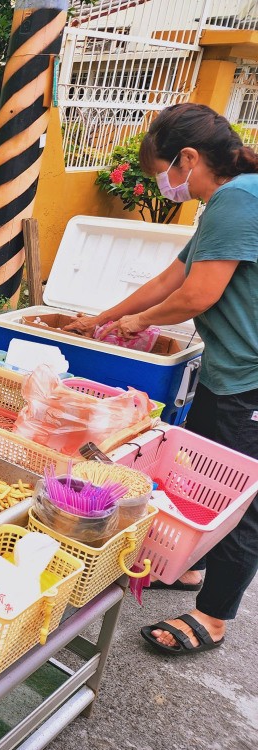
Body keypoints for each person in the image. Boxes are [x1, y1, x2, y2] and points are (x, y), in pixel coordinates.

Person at [64, 103, 258, 656]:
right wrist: (103, 316)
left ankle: (214, 617)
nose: (166, 184)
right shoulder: (225, 202)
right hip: (228, 371)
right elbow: (171, 276)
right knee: (196, 472)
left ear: (189, 159)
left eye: (167, 172)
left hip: (250, 379)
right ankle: (192, 567)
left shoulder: (237, 201)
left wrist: (137, 322)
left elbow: (197, 295)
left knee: (239, 497)